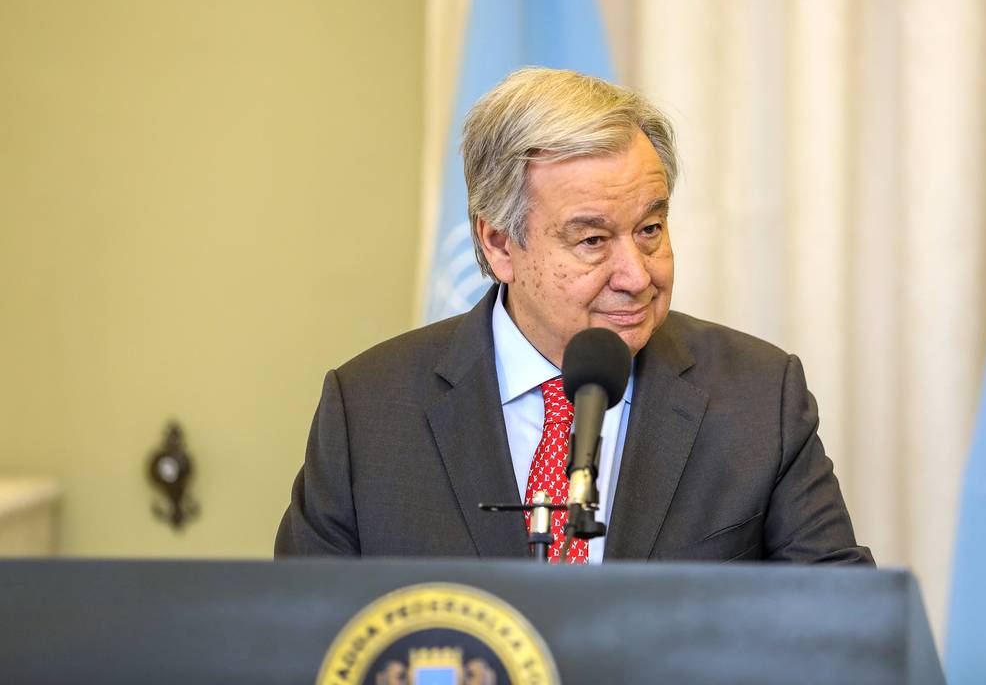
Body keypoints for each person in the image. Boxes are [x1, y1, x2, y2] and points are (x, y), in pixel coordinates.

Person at [275, 68, 872, 565]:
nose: (637, 275)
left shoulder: (758, 397)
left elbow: (844, 630)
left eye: (650, 230)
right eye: (591, 240)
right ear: (500, 245)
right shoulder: (369, 411)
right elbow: (297, 640)